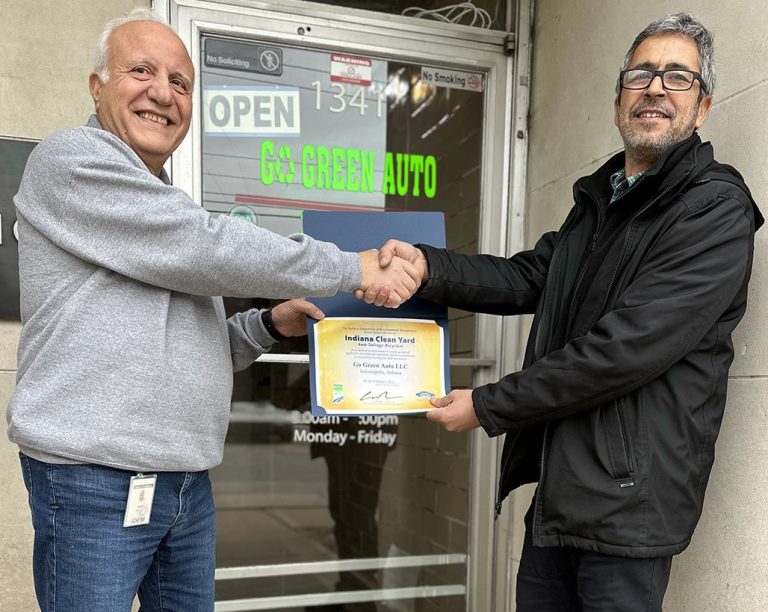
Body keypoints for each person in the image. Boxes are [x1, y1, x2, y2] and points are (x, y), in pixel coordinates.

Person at [6, 8, 420, 612]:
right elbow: (206, 245)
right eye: (141, 71)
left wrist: (266, 325)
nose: (163, 93)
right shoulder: (71, 160)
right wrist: (353, 268)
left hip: (185, 482)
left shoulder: (165, 206)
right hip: (94, 479)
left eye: (180, 82)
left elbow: (188, 343)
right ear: (97, 86)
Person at [362, 12, 763, 611]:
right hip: (563, 492)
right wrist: (427, 267)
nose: (655, 88)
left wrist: (489, 405)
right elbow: (528, 277)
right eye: (641, 75)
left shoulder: (713, 210)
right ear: (619, 100)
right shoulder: (603, 201)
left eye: (677, 77)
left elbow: (624, 349)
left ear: (702, 107)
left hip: (628, 507)